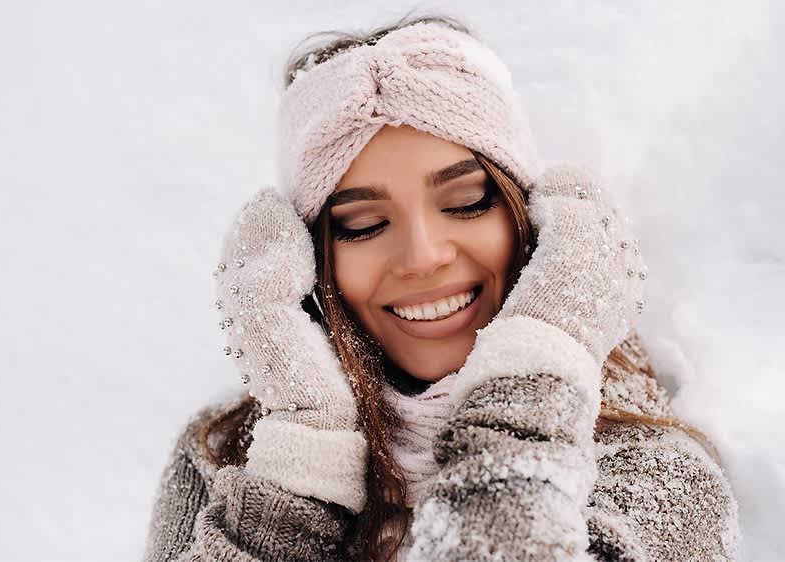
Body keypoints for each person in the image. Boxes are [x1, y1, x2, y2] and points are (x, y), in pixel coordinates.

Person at [143, 16, 740, 561]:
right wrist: (301, 466)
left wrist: (541, 358)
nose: (424, 257)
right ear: (308, 260)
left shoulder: (661, 477)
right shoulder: (220, 457)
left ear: (530, 221)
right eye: (362, 224)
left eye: (466, 201)